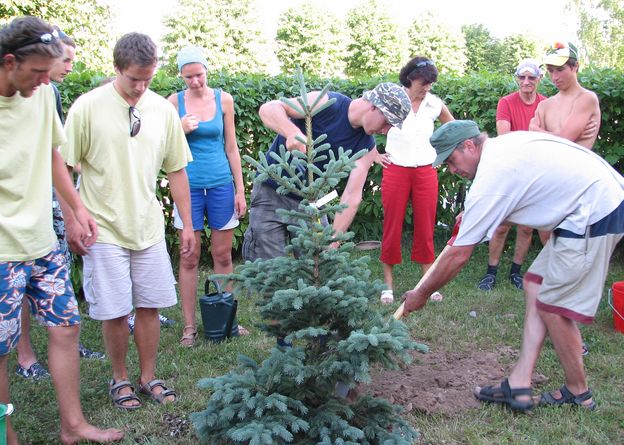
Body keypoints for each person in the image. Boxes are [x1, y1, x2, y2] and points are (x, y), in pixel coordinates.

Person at [402, 120, 624, 412]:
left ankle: (579, 394)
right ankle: (519, 384)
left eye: (452, 161)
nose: (452, 170)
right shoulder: (501, 149)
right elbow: (518, 199)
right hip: (590, 203)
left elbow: (458, 255)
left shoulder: (493, 175)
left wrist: (421, 294)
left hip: (595, 211)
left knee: (553, 306)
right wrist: (472, 216)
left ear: (469, 146)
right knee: (536, 283)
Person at [0, 16, 123, 445]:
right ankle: (4, 442)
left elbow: (52, 154)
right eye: (39, 72)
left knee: (65, 328)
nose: (48, 80)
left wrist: (76, 208)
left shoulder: (42, 94)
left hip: (43, 241)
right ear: (10, 61)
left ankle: (73, 423)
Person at [63, 32, 195, 409]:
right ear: (117, 68)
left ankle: (148, 376)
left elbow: (176, 171)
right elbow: (65, 168)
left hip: (147, 226)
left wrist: (186, 224)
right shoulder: (87, 108)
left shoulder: (162, 110)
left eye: (147, 79)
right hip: (102, 227)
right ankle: (119, 378)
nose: (140, 87)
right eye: (133, 79)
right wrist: (73, 220)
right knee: (116, 309)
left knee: (150, 305)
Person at [14, 29, 104, 381]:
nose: (68, 65)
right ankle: (24, 355)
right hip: (17, 208)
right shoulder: (6, 93)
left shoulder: (50, 93)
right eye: (64, 58)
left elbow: (57, 154)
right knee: (20, 277)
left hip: (49, 197)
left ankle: (67, 343)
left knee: (61, 266)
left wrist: (73, 210)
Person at [242, 82, 411, 262]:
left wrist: (333, 242)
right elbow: (269, 109)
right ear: (374, 106)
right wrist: (291, 132)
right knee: (268, 271)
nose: (386, 131)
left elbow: (351, 197)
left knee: (317, 269)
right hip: (270, 193)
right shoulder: (327, 102)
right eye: (387, 121)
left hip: (312, 204)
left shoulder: (367, 148)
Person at [167, 46, 248, 347]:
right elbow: (161, 144)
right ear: (181, 76)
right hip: (186, 186)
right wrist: (179, 128)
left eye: (199, 74)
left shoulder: (223, 99)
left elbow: (232, 147)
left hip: (220, 184)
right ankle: (189, 326)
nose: (195, 81)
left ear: (206, 71)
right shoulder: (173, 102)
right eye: (188, 77)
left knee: (223, 254)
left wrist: (240, 190)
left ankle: (228, 320)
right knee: (189, 256)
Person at [379, 57, 454, 305]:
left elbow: (453, 129)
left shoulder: (434, 103)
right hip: (395, 169)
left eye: (431, 82)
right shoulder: (391, 99)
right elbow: (365, 126)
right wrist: (373, 154)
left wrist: (445, 155)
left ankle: (427, 284)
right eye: (424, 82)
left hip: (425, 172)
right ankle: (387, 286)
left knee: (425, 227)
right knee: (392, 225)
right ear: (410, 78)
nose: (428, 87)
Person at [477, 59, 548, 292]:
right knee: (502, 225)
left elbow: (549, 140)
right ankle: (491, 272)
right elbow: (505, 138)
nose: (526, 82)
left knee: (527, 227)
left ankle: (516, 272)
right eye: (522, 77)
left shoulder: (545, 104)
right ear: (517, 78)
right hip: (512, 171)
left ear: (539, 79)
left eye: (531, 77)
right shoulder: (506, 102)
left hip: (536, 172)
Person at [530, 41, 600, 150]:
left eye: (560, 69)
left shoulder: (586, 98)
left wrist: (536, 130)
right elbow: (536, 145)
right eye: (550, 70)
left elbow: (564, 141)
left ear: (575, 66)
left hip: (577, 166)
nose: (554, 77)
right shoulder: (544, 105)